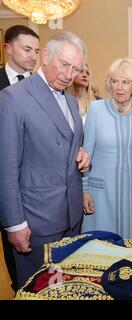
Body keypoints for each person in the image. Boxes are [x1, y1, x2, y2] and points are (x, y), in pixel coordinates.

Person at [0, 31, 90, 289]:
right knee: (35, 291)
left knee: (65, 288)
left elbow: (68, 144)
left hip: (72, 218)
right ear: (46, 55)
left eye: (76, 68)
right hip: (37, 222)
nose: (69, 74)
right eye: (64, 65)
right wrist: (15, 224)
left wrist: (83, 152)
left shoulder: (72, 102)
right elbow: (6, 168)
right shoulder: (13, 98)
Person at [81, 58, 132, 245]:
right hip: (102, 194)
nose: (120, 87)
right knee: (101, 249)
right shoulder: (96, 110)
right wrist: (84, 190)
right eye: (115, 81)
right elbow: (86, 154)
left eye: (125, 82)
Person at [0, 24, 40, 293]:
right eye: (27, 49)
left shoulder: (41, 85)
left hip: (33, 183)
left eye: (37, 51)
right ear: (8, 47)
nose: (33, 57)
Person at [0, 25, 40, 90]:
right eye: (27, 50)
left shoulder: (41, 83)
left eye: (36, 52)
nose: (34, 58)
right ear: (9, 49)